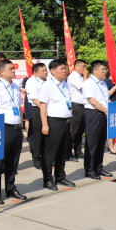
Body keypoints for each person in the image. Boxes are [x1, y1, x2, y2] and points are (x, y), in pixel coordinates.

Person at [0, 59, 26, 204]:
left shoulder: (15, 87)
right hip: (2, 128)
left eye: (14, 69)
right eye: (10, 69)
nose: (13, 71)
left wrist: (21, 128)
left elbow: (19, 108)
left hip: (15, 128)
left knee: (13, 162)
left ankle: (10, 188)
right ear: (1, 72)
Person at [38, 60, 76, 191]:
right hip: (53, 122)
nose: (64, 71)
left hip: (65, 121)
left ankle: (60, 176)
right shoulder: (47, 85)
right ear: (52, 71)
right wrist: (45, 124)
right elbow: (43, 106)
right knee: (50, 152)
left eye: (65, 69)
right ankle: (47, 179)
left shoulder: (65, 84)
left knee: (62, 151)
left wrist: (69, 121)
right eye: (61, 69)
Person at [82, 60, 116, 180]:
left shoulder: (103, 83)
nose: (105, 71)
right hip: (93, 114)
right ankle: (90, 169)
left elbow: (105, 99)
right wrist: (105, 110)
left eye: (106, 69)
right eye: (103, 69)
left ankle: (99, 167)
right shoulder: (88, 83)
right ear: (95, 70)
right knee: (92, 143)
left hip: (103, 113)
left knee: (101, 142)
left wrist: (111, 109)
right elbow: (92, 100)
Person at [25, 63, 47, 169]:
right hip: (37, 110)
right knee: (37, 136)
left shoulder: (46, 81)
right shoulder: (31, 82)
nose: (45, 72)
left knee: (45, 136)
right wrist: (45, 109)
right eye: (43, 71)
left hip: (46, 110)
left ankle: (44, 156)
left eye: (46, 70)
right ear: (35, 72)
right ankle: (37, 158)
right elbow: (35, 99)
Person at [67, 59, 87, 162]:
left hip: (83, 105)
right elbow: (85, 87)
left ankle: (78, 151)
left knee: (81, 130)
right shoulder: (73, 77)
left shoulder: (80, 77)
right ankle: (68, 152)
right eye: (83, 66)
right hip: (76, 106)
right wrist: (86, 76)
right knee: (74, 130)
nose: (85, 69)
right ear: (77, 66)